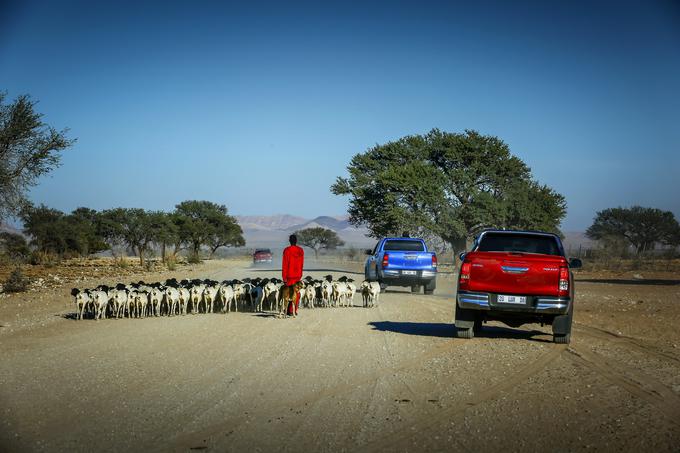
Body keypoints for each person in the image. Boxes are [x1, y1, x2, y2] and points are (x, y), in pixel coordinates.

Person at [282, 234, 304, 316]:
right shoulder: (300, 250)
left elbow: (284, 264)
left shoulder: (287, 250)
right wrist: (300, 274)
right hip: (297, 275)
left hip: (289, 275)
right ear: (296, 241)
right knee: (296, 293)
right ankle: (293, 310)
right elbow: (302, 263)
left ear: (289, 241)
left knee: (288, 292)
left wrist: (284, 277)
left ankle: (287, 310)